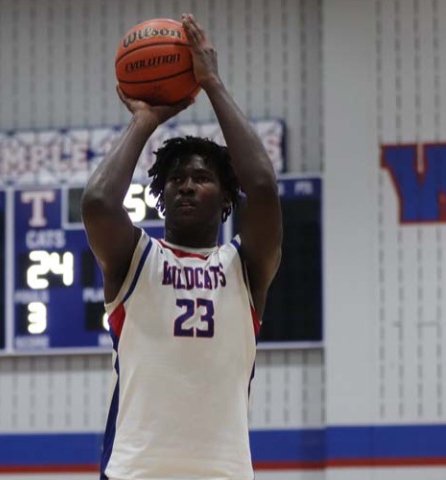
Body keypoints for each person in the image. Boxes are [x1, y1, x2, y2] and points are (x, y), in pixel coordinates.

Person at [81, 13, 282, 480]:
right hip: (135, 471)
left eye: (202, 178)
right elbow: (97, 202)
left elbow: (263, 186)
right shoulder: (136, 259)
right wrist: (144, 121)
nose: (187, 185)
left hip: (224, 472)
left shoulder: (245, 266)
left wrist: (212, 83)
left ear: (227, 197)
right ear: (161, 194)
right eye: (176, 179)